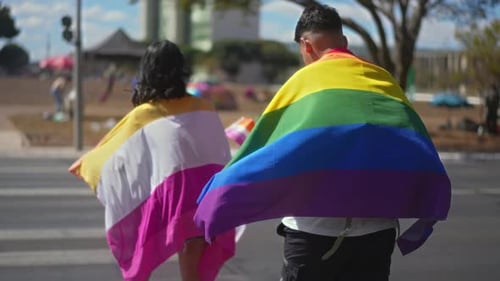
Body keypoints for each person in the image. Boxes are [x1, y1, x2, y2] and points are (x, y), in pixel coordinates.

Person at [194, 3, 450, 281]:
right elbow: (412, 142)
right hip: (376, 235)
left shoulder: (304, 81)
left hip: (313, 236)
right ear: (344, 41)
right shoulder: (382, 80)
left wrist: (219, 194)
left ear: (306, 45)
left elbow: (268, 149)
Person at [69, 40, 235, 281]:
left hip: (167, 197)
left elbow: (110, 152)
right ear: (181, 69)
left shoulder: (143, 114)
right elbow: (218, 152)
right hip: (202, 197)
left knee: (142, 250)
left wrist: (84, 166)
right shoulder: (204, 107)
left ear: (147, 72)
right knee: (193, 273)